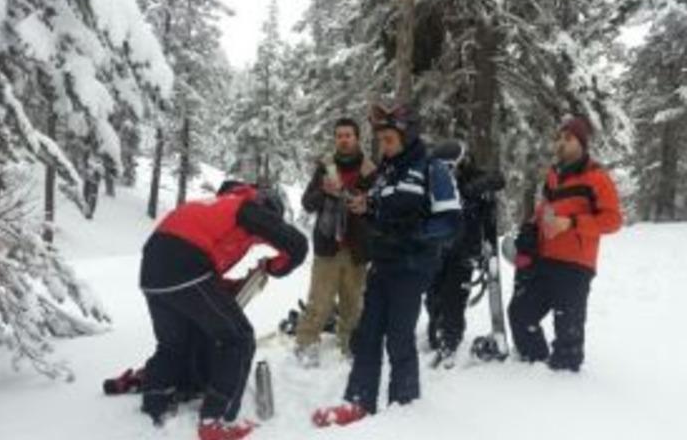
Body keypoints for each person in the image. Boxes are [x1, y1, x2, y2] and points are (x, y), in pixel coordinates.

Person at [312, 105, 461, 427]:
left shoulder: (431, 168)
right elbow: (382, 211)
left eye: (390, 139)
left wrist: (415, 233)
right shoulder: (386, 171)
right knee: (367, 334)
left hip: (413, 265)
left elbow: (451, 221)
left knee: (398, 335)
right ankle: (358, 400)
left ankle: (404, 403)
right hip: (383, 262)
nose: (384, 146)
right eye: (381, 140)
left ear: (407, 137)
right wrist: (366, 206)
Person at [139, 180, 308, 440]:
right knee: (238, 338)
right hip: (185, 265)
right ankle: (215, 420)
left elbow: (202, 272)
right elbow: (297, 245)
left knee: (174, 344)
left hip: (152, 270)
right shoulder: (248, 207)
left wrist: (235, 285)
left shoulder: (216, 207)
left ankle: (155, 400)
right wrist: (272, 267)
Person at [508, 115, 622, 372]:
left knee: (568, 335)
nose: (561, 142)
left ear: (581, 143)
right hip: (544, 259)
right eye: (558, 138)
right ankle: (533, 367)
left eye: (568, 138)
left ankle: (566, 382)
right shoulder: (553, 176)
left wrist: (572, 223)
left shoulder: (596, 177)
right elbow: (545, 211)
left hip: (575, 265)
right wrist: (531, 228)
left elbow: (613, 220)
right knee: (521, 314)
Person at [295, 118, 376, 366]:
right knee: (319, 301)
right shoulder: (325, 168)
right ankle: (306, 343)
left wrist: (366, 204)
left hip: (358, 248)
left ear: (357, 138)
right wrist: (324, 192)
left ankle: (350, 343)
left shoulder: (370, 170)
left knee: (354, 303)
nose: (343, 140)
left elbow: (380, 206)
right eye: (339, 135)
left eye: (348, 135)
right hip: (328, 247)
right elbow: (307, 203)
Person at [426, 140, 505, 366]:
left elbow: (498, 179)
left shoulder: (474, 177)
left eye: (451, 167)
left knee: (453, 298)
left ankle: (450, 340)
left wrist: (469, 190)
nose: (447, 171)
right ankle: (437, 332)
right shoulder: (434, 178)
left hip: (464, 251)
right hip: (438, 248)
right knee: (433, 297)